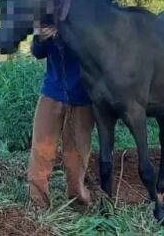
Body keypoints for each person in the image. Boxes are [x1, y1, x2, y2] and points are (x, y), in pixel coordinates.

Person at [28, 30, 94, 208]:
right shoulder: (49, 16)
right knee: (41, 151)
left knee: (76, 156)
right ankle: (38, 205)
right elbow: (37, 52)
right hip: (51, 92)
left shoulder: (86, 15)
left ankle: (78, 203)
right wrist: (41, 38)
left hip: (83, 99)